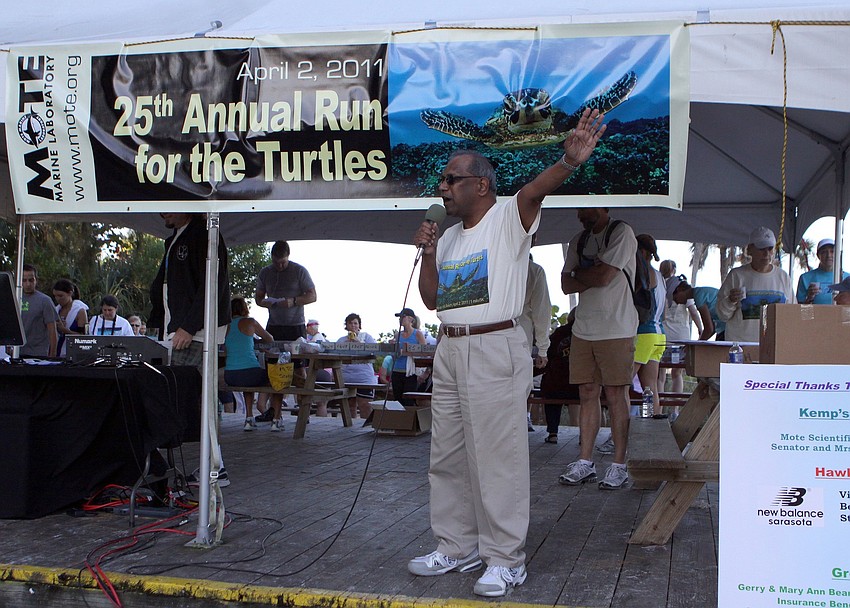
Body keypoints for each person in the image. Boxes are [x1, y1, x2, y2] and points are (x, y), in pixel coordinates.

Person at [409, 108, 606, 597]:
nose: (442, 187)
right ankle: (456, 547)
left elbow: (536, 190)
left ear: (481, 184)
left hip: (496, 346)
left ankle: (505, 559)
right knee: (447, 454)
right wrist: (429, 253)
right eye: (442, 180)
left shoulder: (508, 216)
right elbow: (432, 300)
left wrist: (569, 160)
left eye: (451, 179)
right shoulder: (450, 236)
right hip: (450, 350)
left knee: (497, 458)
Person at [559, 206, 637, 490]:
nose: (582, 215)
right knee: (587, 392)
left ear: (605, 207)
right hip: (583, 328)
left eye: (588, 210)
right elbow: (565, 284)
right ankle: (585, 462)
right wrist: (592, 272)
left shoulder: (622, 232)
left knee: (617, 394)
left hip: (617, 328)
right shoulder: (578, 240)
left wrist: (581, 272)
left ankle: (619, 465)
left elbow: (604, 278)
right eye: (579, 210)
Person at [149, 213, 231, 486]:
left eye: (168, 208)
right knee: (192, 394)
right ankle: (211, 463)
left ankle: (215, 465)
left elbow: (212, 283)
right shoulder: (174, 238)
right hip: (178, 328)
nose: (163, 213)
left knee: (198, 395)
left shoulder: (205, 233)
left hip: (196, 331)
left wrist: (189, 326)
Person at [716, 226, 794, 343]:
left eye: (770, 248)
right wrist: (730, 301)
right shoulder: (736, 275)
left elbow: (792, 314)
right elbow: (722, 315)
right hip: (741, 346)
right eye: (761, 248)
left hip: (775, 345)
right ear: (750, 249)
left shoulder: (783, 277)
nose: (766, 253)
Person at [223, 297, 276, 431]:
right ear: (244, 309)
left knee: (248, 385)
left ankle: (249, 418)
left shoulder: (225, 326)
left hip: (230, 375)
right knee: (276, 380)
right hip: (251, 373)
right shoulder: (250, 322)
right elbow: (269, 339)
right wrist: (254, 341)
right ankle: (270, 412)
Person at [632, 234, 666, 416]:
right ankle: (655, 426)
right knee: (651, 385)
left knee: (620, 384)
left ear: (641, 251)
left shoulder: (643, 273)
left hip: (643, 332)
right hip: (659, 334)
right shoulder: (660, 276)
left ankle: (617, 435)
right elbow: (665, 311)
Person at [519, 239, 551, 431]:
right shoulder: (534, 271)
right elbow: (541, 312)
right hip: (519, 339)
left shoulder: (492, 265)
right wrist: (543, 349)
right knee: (520, 392)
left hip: (489, 338)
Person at [656, 260, 702, 394]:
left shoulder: (660, 286)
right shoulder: (680, 287)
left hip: (664, 335)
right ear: (674, 270)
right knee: (677, 374)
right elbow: (693, 311)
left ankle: (659, 406)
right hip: (681, 336)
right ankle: (675, 410)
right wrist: (700, 328)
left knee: (660, 375)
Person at [539, 311, 581, 444]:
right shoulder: (586, 333)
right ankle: (584, 435)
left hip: (556, 386)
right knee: (589, 396)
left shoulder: (559, 333)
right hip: (579, 387)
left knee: (549, 388)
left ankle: (553, 433)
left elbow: (549, 356)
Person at [336, 313, 378, 418]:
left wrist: (359, 343)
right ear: (346, 325)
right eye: (350, 323)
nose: (353, 325)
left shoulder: (367, 337)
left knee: (365, 405)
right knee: (349, 406)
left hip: (364, 378)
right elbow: (335, 356)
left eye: (355, 323)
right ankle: (350, 428)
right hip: (346, 377)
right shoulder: (341, 340)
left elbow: (374, 353)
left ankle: (366, 429)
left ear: (359, 325)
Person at [666, 276, 723, 340]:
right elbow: (712, 328)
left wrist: (696, 345)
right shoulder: (700, 292)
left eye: (675, 299)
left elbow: (709, 329)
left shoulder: (699, 296)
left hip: (727, 328)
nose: (677, 303)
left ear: (680, 289)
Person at [19, 264, 58, 358]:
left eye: (31, 280)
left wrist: (52, 355)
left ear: (36, 280)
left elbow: (52, 330)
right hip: (17, 353)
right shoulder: (14, 298)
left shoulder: (45, 301)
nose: (28, 284)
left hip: (38, 354)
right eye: (24, 280)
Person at [391, 307, 426, 406]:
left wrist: (407, 352)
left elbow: (425, 352)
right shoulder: (398, 335)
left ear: (411, 319)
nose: (400, 319)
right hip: (396, 370)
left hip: (410, 372)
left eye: (403, 317)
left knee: (409, 400)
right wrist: (392, 347)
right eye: (400, 317)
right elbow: (393, 354)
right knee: (397, 400)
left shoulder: (418, 334)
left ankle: (410, 420)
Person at [797, 238, 848, 304]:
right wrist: (809, 297)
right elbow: (798, 310)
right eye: (824, 252)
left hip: (841, 314)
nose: (829, 255)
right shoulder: (805, 278)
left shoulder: (847, 278)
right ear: (818, 256)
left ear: (837, 254)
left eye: (832, 251)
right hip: (814, 314)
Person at [53, 278, 88, 357]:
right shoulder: (56, 309)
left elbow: (85, 337)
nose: (58, 299)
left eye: (61, 296)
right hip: (56, 351)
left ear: (70, 293)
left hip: (72, 353)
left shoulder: (80, 311)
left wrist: (64, 330)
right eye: (55, 296)